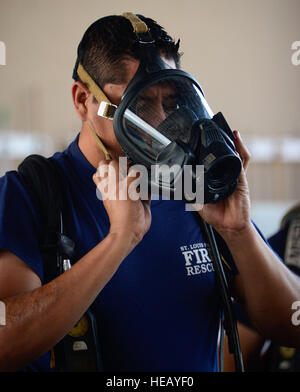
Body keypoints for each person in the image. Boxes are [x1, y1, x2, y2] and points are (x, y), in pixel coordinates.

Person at [0, 13, 300, 373]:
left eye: (172, 104)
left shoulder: (195, 189)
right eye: (140, 105)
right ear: (83, 101)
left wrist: (239, 232)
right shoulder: (30, 195)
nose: (160, 122)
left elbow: (292, 325)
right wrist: (119, 242)